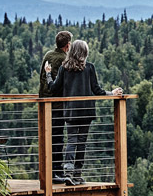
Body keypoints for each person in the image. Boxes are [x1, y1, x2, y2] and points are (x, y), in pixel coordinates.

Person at [45, 39, 123, 186]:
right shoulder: (89, 68)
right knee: (82, 142)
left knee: (71, 140)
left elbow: (53, 88)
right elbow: (97, 90)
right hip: (86, 111)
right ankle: (77, 174)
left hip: (70, 111)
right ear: (84, 53)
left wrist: (48, 74)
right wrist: (111, 93)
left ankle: (67, 172)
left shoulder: (64, 69)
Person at [39, 30, 73, 183]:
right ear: (67, 45)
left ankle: (49, 171)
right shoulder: (64, 59)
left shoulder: (48, 55)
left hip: (44, 102)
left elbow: (43, 79)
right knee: (58, 138)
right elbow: (62, 83)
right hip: (57, 105)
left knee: (48, 138)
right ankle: (56, 172)